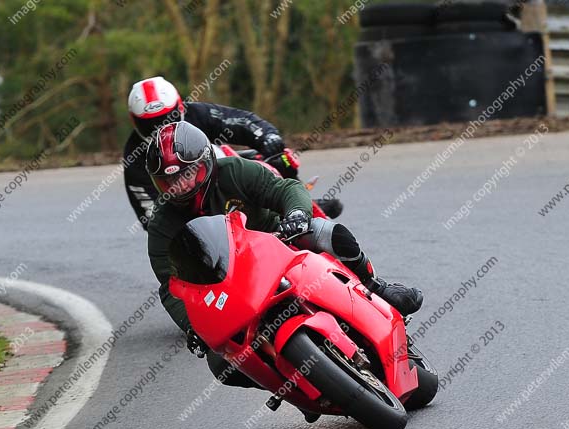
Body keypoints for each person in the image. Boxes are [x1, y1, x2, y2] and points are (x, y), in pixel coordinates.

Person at [146, 122, 423, 401]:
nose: (181, 186)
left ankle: (376, 287)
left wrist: (297, 214)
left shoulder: (233, 171)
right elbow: (171, 286)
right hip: (229, 290)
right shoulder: (161, 225)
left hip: (277, 243)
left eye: (189, 174)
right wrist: (192, 326)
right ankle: (295, 390)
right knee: (221, 363)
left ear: (207, 163)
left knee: (328, 233)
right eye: (169, 181)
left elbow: (284, 188)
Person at [124, 76, 342, 230]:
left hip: (225, 178)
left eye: (166, 119)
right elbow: (150, 216)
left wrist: (268, 138)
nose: (161, 129)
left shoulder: (197, 113)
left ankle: (302, 208)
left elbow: (241, 121)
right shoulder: (134, 157)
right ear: (135, 122)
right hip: (190, 214)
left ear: (180, 108)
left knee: (283, 159)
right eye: (150, 125)